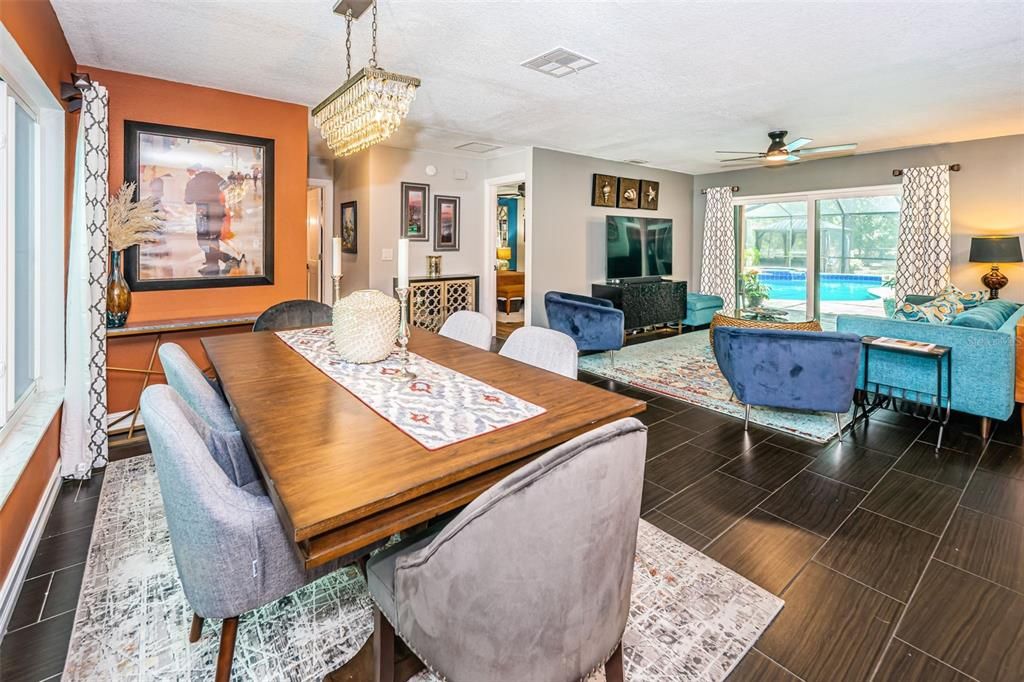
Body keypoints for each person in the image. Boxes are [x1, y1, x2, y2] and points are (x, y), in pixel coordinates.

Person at [184, 164, 233, 276]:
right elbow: (227, 187)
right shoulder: (217, 178)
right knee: (214, 238)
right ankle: (213, 265)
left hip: (203, 213)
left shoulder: (193, 182)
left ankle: (226, 258)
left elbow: (188, 200)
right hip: (217, 212)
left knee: (204, 240)